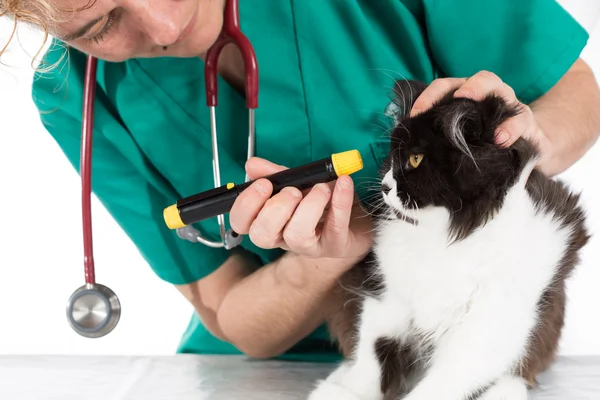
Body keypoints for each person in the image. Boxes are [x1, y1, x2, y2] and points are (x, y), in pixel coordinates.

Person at [2, 0, 600, 361]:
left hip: (458, 341)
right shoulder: (72, 95)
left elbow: (574, 93)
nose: (164, 25)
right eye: (99, 24)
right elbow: (234, 317)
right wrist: (327, 256)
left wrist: (527, 142)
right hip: (265, 377)